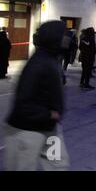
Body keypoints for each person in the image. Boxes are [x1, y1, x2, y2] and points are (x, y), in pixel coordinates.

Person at [4, 21, 70, 171]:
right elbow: (23, 104)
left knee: (59, 165)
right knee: (24, 167)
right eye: (64, 35)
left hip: (50, 130)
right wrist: (50, 114)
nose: (67, 38)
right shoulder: (39, 64)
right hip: (28, 131)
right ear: (54, 38)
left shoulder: (51, 59)